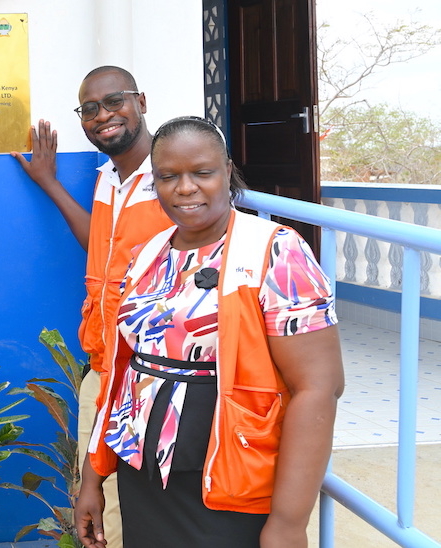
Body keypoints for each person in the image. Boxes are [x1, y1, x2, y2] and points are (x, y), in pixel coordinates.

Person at [75, 116, 344, 548]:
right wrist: (93, 477)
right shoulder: (149, 254)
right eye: (168, 177)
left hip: (229, 479)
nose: (185, 188)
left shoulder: (275, 250)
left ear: (227, 172)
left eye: (202, 172)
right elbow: (125, 372)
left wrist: (289, 521)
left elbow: (318, 387)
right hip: (142, 474)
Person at [11, 66, 174, 546]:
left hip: (153, 377)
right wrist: (50, 183)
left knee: (145, 515)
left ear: (141, 101)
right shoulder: (110, 177)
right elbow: (99, 245)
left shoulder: (171, 177)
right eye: (89, 109)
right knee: (99, 516)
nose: (103, 116)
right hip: (104, 369)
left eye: (114, 101)